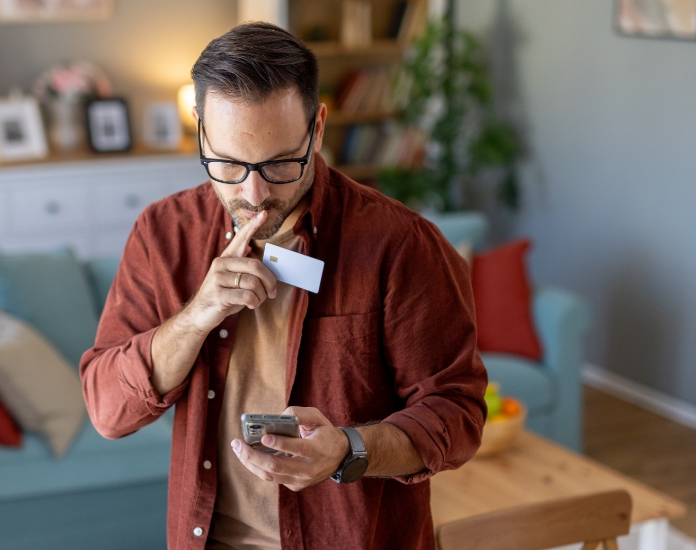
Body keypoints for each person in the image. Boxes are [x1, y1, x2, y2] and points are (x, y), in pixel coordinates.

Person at [80, 22, 487, 550]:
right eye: (227, 163)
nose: (254, 192)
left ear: (317, 128)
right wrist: (197, 316)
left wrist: (348, 449)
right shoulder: (163, 234)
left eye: (278, 164)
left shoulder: (400, 244)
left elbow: (456, 413)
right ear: (201, 130)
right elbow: (108, 410)